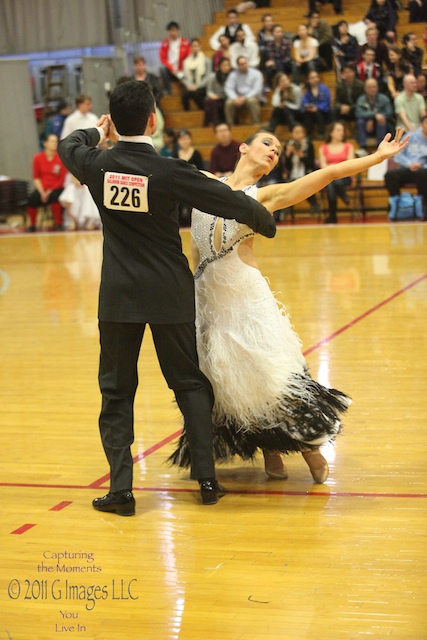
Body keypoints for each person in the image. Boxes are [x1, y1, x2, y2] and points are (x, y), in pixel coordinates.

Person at [57, 80, 276, 513]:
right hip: (170, 293)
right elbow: (227, 198)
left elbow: (68, 145)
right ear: (153, 120)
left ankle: (121, 492)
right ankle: (208, 482)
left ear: (114, 122)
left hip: (119, 296)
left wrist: (97, 134)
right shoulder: (170, 170)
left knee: (117, 392)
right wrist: (263, 221)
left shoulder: (95, 164)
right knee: (189, 384)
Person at [169, 128, 408, 482]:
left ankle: (311, 446)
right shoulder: (203, 182)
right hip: (208, 300)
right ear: (244, 147)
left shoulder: (265, 196)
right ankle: (270, 449)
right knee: (231, 383)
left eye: (279, 151)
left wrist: (376, 158)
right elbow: (159, 174)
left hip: (246, 299)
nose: (274, 151)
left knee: (273, 376)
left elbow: (326, 174)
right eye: (268, 143)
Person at [60, 95, 101, 230]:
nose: (90, 106)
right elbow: (65, 142)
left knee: (92, 189)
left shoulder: (93, 118)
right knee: (73, 190)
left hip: (91, 158)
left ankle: (92, 220)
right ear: (80, 105)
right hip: (75, 160)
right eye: (87, 103)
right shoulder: (71, 120)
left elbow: (99, 141)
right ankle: (75, 220)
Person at [26, 134, 67, 232]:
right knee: (32, 199)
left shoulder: (61, 158)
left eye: (56, 141)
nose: (54, 144)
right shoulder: (38, 158)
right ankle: (32, 225)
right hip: (43, 188)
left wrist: (49, 191)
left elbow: (62, 178)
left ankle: (58, 223)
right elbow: (36, 177)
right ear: (45, 143)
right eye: (52, 141)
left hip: (56, 187)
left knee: (55, 197)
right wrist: (42, 192)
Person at [319, 121, 355, 224]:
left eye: (342, 130)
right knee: (333, 183)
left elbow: (350, 164)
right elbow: (323, 166)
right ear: (331, 132)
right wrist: (334, 170)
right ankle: (344, 196)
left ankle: (332, 216)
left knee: (335, 182)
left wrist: (334, 169)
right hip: (330, 177)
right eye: (338, 130)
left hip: (345, 177)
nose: (341, 132)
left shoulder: (349, 146)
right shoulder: (323, 148)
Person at [384, 115, 427, 200]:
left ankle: (422, 203)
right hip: (408, 168)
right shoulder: (410, 136)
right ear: (421, 124)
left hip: (424, 170)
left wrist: (422, 166)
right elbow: (398, 154)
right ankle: (396, 203)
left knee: (421, 173)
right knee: (389, 175)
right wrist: (409, 164)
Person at [283, 123, 321, 215]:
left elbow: (311, 164)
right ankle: (287, 207)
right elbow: (286, 167)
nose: (299, 135)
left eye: (301, 132)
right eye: (296, 132)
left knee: (303, 184)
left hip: (306, 174)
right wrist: (287, 155)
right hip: (292, 175)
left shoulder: (308, 145)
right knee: (289, 185)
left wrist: (301, 155)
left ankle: (314, 204)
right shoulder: (288, 145)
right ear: (291, 134)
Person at [355, 78, 394, 151]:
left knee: (381, 120)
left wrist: (375, 118)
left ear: (377, 88)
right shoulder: (361, 99)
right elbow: (358, 113)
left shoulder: (384, 98)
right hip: (365, 125)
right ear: (365, 89)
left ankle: (380, 147)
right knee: (360, 121)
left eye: (374, 87)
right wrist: (374, 116)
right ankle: (363, 147)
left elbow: (389, 113)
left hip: (382, 125)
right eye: (370, 87)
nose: (372, 89)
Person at [224, 56, 264, 126]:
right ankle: (230, 126)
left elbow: (257, 89)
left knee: (251, 101)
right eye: (241, 64)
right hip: (237, 97)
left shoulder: (257, 74)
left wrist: (245, 97)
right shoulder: (233, 74)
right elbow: (228, 88)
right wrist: (235, 98)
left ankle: (256, 125)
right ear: (238, 65)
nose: (244, 66)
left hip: (251, 97)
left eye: (245, 63)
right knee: (228, 103)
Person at [159, 21, 191, 96]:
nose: (172, 33)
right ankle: (167, 90)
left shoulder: (185, 43)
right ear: (168, 31)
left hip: (183, 69)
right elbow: (163, 59)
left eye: (174, 30)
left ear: (178, 30)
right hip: (170, 71)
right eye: (170, 31)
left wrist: (182, 69)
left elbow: (188, 58)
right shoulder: (165, 43)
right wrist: (172, 69)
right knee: (162, 68)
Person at [181, 38, 211, 111]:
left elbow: (208, 75)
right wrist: (189, 85)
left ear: (200, 47)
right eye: (193, 46)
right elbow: (184, 77)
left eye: (196, 46)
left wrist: (198, 86)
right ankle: (187, 114)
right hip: (191, 86)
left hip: (203, 85)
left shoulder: (206, 60)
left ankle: (203, 110)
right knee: (184, 95)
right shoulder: (186, 61)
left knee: (196, 94)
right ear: (190, 48)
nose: (195, 48)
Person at [300, 69, 331, 137]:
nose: (315, 79)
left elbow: (326, 101)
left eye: (316, 77)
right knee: (306, 114)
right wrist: (308, 107)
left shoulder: (324, 89)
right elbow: (304, 101)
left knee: (318, 112)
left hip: (323, 111)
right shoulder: (307, 91)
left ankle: (321, 133)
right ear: (308, 80)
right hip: (311, 111)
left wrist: (317, 107)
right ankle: (309, 134)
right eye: (312, 78)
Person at [203, 57, 232, 127]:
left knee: (211, 103)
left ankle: (208, 123)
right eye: (224, 65)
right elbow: (209, 90)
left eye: (228, 65)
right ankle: (215, 122)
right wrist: (212, 95)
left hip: (228, 97)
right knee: (209, 101)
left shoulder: (232, 76)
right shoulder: (213, 77)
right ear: (219, 66)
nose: (226, 67)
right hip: (217, 98)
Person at [262, 24, 293, 89]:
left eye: (281, 32)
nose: (279, 34)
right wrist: (273, 63)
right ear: (273, 33)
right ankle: (268, 87)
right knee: (269, 69)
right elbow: (270, 57)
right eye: (277, 32)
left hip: (286, 65)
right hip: (274, 65)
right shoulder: (269, 44)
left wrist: (275, 63)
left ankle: (281, 84)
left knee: (279, 63)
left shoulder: (287, 43)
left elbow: (287, 57)